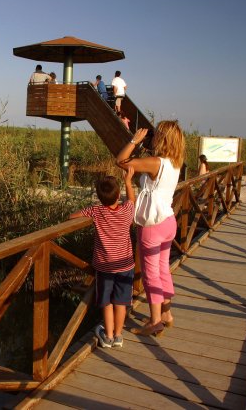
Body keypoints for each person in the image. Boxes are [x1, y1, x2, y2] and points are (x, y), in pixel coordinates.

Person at [116, 121, 185, 337]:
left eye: (156, 134)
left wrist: (134, 140)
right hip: (168, 220)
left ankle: (155, 322)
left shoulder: (156, 162)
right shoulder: (174, 162)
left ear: (161, 138)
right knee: (163, 269)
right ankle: (166, 314)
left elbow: (121, 161)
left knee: (151, 274)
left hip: (153, 224)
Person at [69, 168, 136, 348]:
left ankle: (107, 336)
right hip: (125, 264)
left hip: (105, 266)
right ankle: (118, 336)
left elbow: (72, 217)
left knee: (106, 302)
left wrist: (81, 215)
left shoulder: (96, 212)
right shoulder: (127, 211)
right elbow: (131, 200)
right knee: (121, 302)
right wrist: (128, 181)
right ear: (117, 195)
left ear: (99, 197)